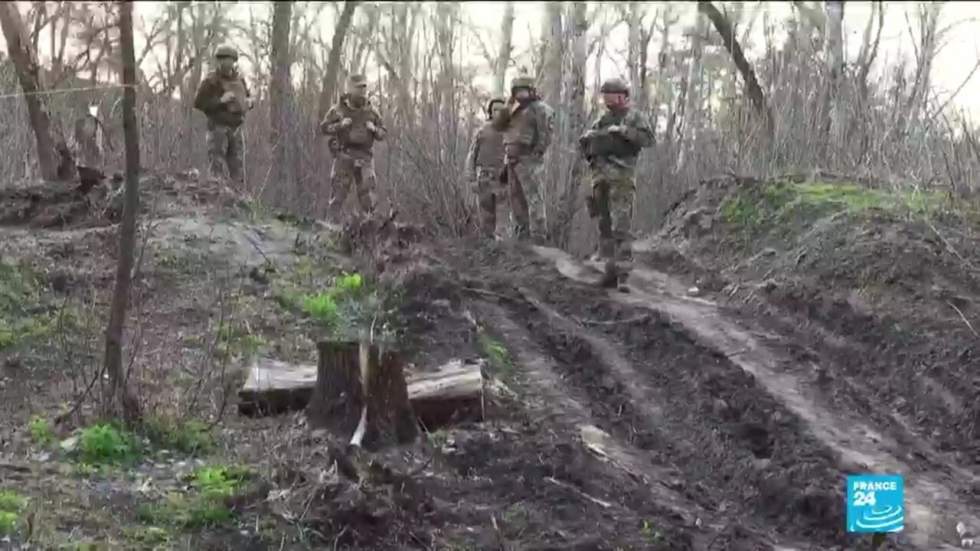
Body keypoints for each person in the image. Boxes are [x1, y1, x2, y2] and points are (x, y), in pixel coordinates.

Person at [578, 77, 655, 290]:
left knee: (621, 226)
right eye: (605, 95)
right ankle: (608, 272)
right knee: (604, 226)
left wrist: (623, 132)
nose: (606, 99)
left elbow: (648, 140)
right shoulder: (603, 118)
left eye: (610, 95)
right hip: (599, 177)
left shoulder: (634, 117)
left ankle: (623, 276)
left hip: (621, 177)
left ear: (622, 96)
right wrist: (589, 140)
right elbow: (588, 143)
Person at [494, 75, 554, 242]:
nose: (521, 94)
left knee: (534, 198)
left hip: (529, 158)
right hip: (512, 159)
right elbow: (498, 126)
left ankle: (538, 236)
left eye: (524, 91)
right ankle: (522, 236)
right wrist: (507, 108)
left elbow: (546, 134)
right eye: (517, 91)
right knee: (515, 199)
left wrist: (537, 153)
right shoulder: (512, 110)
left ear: (531, 91)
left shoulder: (540, 108)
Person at [319, 74, 387, 219]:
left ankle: (371, 229)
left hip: (365, 156)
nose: (362, 91)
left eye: (364, 87)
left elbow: (383, 134)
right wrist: (339, 125)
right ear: (350, 89)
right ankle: (329, 228)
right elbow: (324, 128)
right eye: (359, 88)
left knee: (368, 196)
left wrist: (374, 129)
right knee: (338, 195)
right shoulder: (338, 110)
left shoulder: (372, 111)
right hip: (344, 155)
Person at [193, 44, 254, 184]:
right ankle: (215, 199)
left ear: (233, 62)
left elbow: (247, 98)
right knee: (216, 168)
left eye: (228, 60)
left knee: (238, 169)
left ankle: (238, 201)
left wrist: (250, 102)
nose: (225, 63)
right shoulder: (210, 81)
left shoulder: (240, 81)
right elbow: (199, 103)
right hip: (218, 128)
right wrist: (220, 101)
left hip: (236, 128)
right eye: (222, 60)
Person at [464, 97, 507, 239]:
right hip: (485, 179)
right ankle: (489, 253)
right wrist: (471, 179)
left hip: (504, 182)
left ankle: (505, 254)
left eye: (501, 110)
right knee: (486, 223)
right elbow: (472, 155)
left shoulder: (511, 132)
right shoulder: (482, 131)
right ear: (490, 112)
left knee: (503, 226)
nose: (498, 113)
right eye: (495, 110)